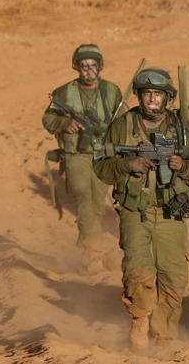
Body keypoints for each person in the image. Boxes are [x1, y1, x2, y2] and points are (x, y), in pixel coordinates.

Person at [93, 67, 189, 348]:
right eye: (147, 94)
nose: (152, 100)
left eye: (158, 94)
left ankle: (165, 337)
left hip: (172, 214)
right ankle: (140, 318)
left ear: (167, 98)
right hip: (135, 212)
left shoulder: (182, 128)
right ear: (139, 96)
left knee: (173, 277)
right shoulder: (123, 125)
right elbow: (100, 165)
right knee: (138, 269)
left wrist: (182, 167)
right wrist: (127, 164)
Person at [42, 44, 121, 270]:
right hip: (76, 154)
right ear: (77, 67)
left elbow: (124, 122)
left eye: (92, 66)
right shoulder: (65, 93)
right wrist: (65, 123)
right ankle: (93, 255)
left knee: (97, 203)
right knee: (84, 198)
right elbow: (48, 119)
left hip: (103, 155)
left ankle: (89, 244)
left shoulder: (112, 92)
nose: (88, 70)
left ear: (100, 66)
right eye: (84, 66)